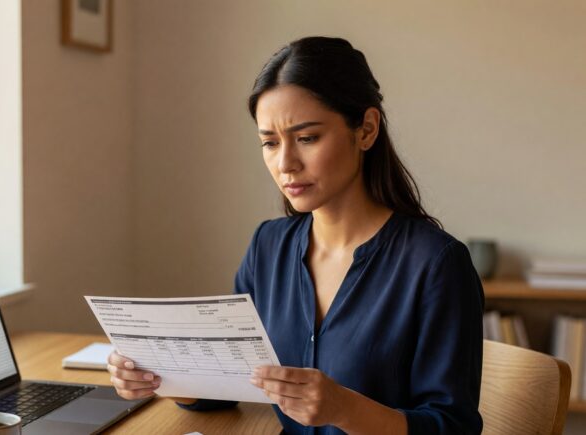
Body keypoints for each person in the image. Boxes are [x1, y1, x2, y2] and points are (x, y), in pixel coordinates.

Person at [107, 36, 484, 435]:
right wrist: (163, 377)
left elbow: (453, 427)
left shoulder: (436, 264)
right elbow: (235, 381)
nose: (285, 163)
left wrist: (345, 409)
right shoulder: (269, 246)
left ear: (367, 130)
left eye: (307, 138)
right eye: (270, 142)